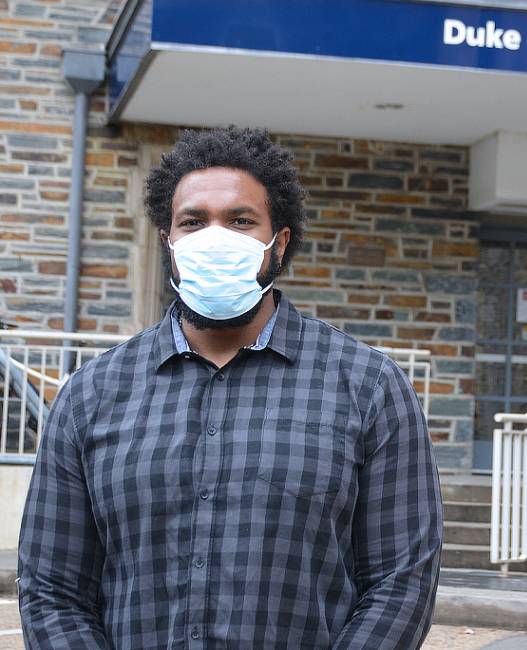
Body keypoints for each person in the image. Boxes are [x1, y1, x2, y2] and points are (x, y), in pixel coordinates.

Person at [17, 126, 443, 649]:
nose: (213, 238)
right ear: (168, 243)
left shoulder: (369, 387)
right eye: (193, 222)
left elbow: (401, 583)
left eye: (240, 221)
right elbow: (51, 588)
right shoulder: (91, 396)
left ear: (277, 242)